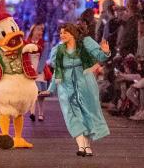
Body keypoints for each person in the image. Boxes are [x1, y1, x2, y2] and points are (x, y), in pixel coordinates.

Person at [47, 22, 110, 157]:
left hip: (85, 82)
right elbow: (57, 70)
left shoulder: (85, 43)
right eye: (61, 33)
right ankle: (81, 147)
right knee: (72, 115)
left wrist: (105, 52)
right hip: (66, 85)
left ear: (73, 33)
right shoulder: (58, 50)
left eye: (65, 32)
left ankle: (87, 147)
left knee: (87, 114)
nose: (62, 35)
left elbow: (100, 57)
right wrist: (50, 89)